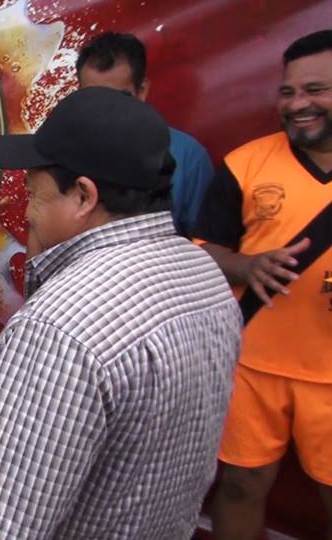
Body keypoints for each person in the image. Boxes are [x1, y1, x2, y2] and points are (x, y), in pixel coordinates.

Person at [0, 87, 243, 539]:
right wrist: (4, 402)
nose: (26, 213)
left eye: (33, 194)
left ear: (84, 196)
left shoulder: (55, 330)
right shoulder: (202, 272)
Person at [198, 30, 332, 539]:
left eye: (315, 90)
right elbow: (203, 248)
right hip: (253, 366)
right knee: (240, 486)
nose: (298, 104)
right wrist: (246, 267)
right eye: (288, 91)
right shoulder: (245, 163)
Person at [76, 31, 214, 237]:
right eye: (92, 96)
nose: (104, 108)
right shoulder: (62, 152)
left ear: (142, 91)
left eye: (118, 97)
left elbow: (205, 245)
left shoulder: (188, 157)